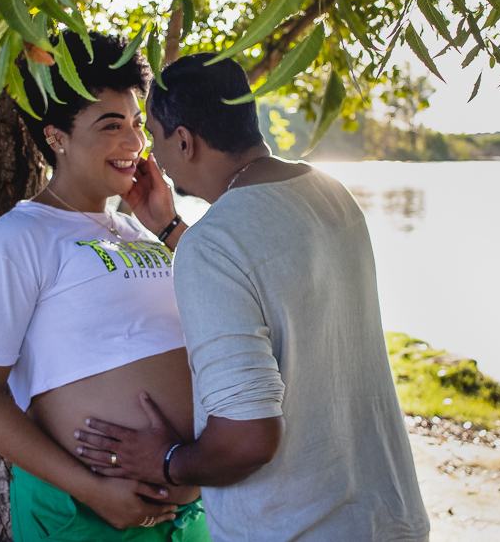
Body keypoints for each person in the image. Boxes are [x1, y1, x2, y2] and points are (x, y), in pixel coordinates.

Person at [75, 53, 431, 541]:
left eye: (154, 138)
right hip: (389, 517)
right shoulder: (329, 193)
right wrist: (172, 228)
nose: (149, 153)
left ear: (184, 141)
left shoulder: (216, 244)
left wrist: (167, 461)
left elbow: (248, 439)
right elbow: (269, 275)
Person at [0, 32, 209, 541]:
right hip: (86, 516)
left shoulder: (145, 231)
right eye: (111, 126)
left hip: (190, 510)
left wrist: (169, 226)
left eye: (136, 124)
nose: (134, 143)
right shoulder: (18, 239)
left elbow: (235, 299)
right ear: (56, 137)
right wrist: (92, 491)